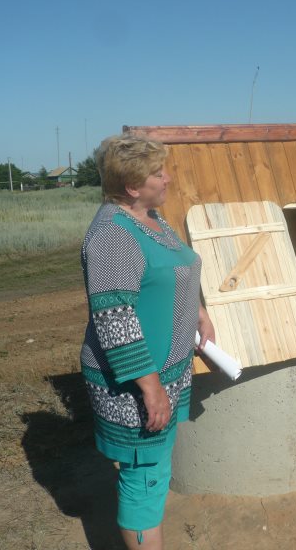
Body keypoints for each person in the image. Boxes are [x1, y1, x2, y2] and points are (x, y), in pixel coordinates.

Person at [80, 135, 215, 548]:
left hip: (161, 374)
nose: (168, 178)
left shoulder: (152, 218)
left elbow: (175, 269)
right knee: (144, 479)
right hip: (135, 383)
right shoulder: (113, 236)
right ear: (132, 186)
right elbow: (114, 321)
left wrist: (197, 309)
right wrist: (151, 387)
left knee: (153, 470)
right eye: (158, 173)